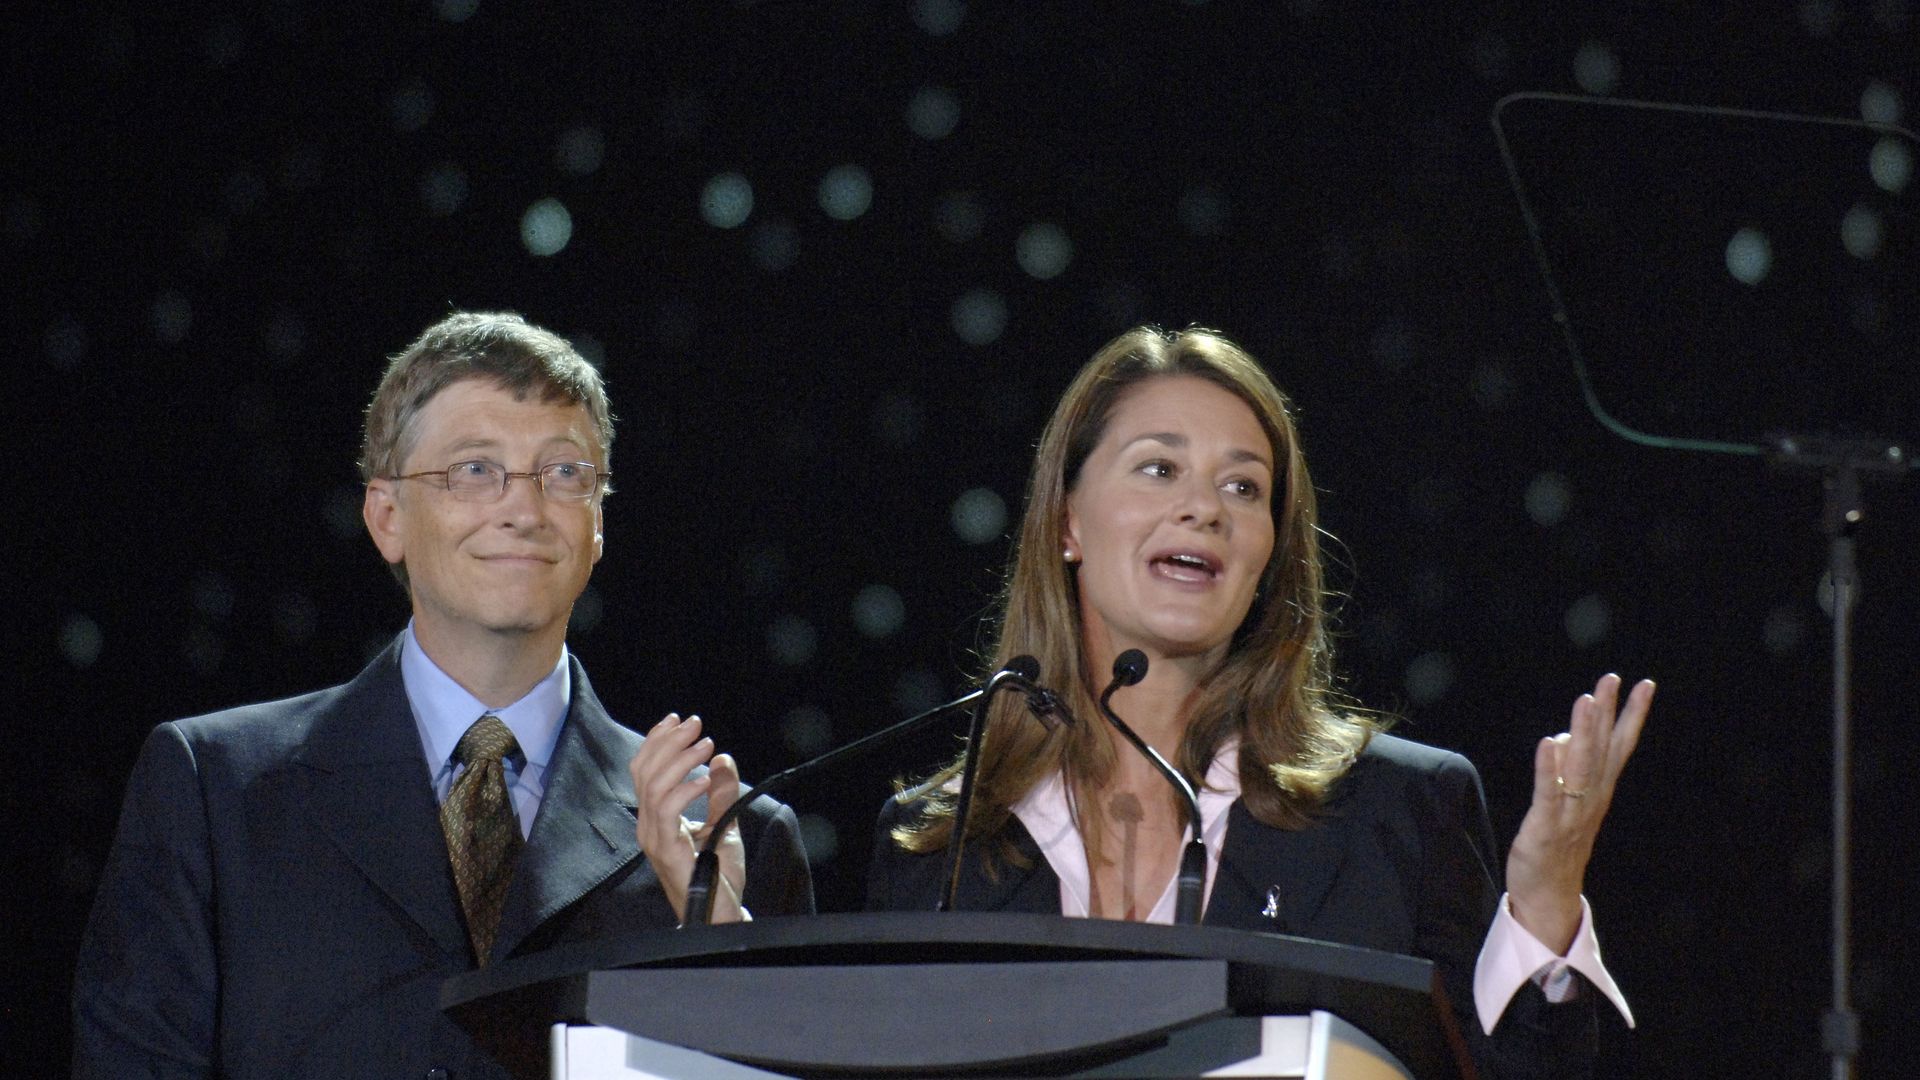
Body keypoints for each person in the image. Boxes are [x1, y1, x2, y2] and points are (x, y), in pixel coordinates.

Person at [867, 326, 1650, 1078]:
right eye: (1158, 469)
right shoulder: (940, 849)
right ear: (1068, 520)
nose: (1205, 508)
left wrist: (1546, 907)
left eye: (1243, 487)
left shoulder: (1401, 809)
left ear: (1269, 551)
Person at [73, 311, 813, 1079]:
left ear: (597, 525)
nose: (523, 510)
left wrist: (718, 931)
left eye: (564, 474)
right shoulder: (216, 791)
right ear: (387, 517)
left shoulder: (733, 838)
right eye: (474, 471)